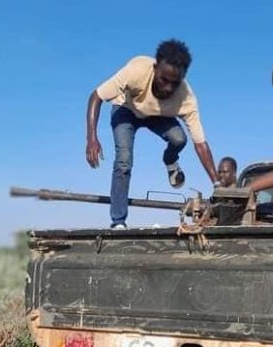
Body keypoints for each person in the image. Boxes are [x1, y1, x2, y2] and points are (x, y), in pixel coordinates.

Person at [86, 39, 219, 228]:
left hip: (157, 116)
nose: (167, 88)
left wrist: (217, 184)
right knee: (124, 160)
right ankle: (118, 222)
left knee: (179, 139)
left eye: (174, 84)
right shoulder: (137, 70)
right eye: (164, 80)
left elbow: (200, 143)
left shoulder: (186, 97)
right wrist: (92, 137)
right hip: (126, 110)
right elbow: (96, 96)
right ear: (155, 68)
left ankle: (170, 160)